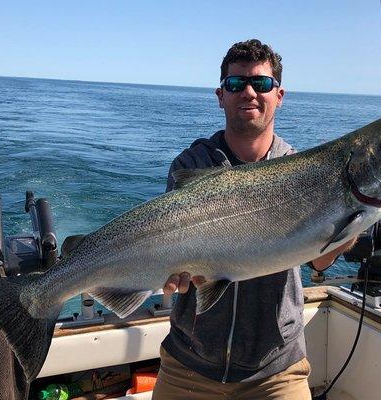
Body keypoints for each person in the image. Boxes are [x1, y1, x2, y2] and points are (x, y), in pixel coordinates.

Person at [152, 39, 356, 400]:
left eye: (261, 84)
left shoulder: (305, 171)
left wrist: (352, 220)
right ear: (220, 95)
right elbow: (178, 262)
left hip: (276, 371)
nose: (248, 92)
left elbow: (321, 261)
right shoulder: (192, 165)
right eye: (236, 84)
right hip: (188, 365)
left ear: (279, 95)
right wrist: (173, 272)